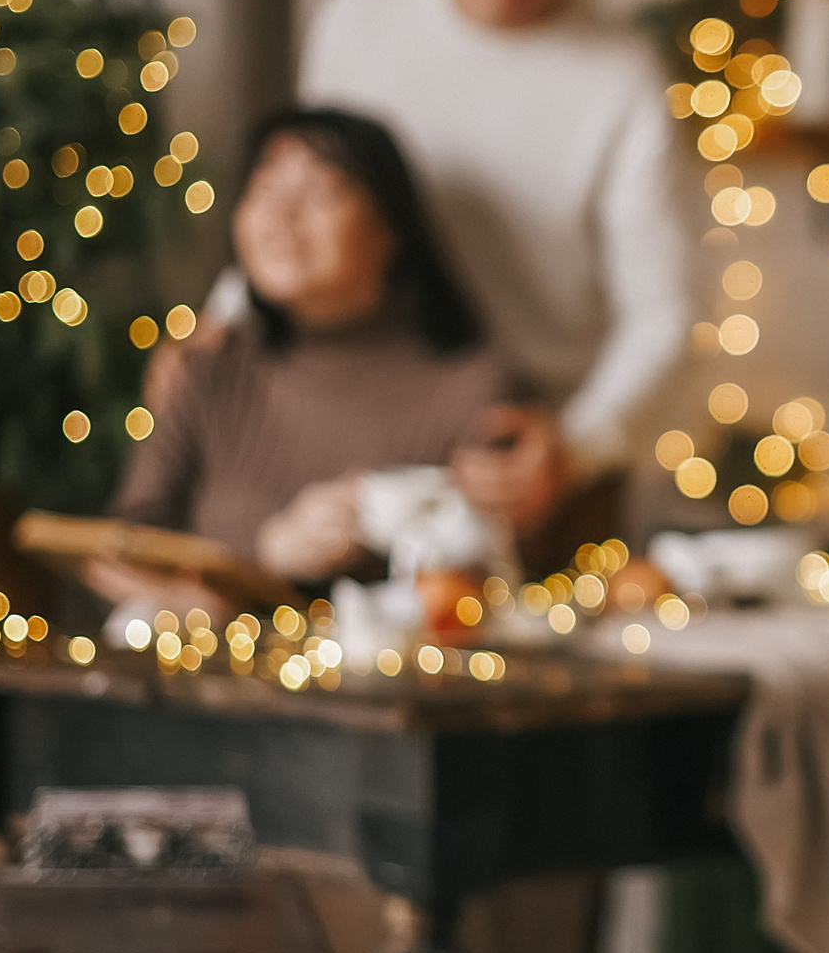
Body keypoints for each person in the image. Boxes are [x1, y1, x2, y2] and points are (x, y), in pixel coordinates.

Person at [293, 0, 694, 550]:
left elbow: (665, 313)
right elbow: (301, 204)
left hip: (530, 461)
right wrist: (217, 330)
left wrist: (576, 446)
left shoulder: (624, 78)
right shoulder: (357, 18)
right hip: (354, 428)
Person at [94, 105, 514, 602]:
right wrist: (260, 558)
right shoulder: (213, 365)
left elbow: (484, 586)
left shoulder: (472, 389)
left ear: (392, 230)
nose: (281, 216)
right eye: (264, 190)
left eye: (319, 194)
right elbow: (113, 551)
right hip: (193, 670)